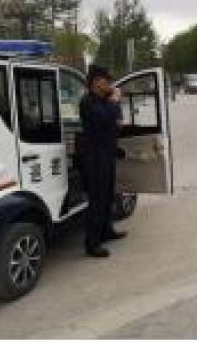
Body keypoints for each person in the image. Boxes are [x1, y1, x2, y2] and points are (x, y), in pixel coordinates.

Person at [79, 65, 127, 258]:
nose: (110, 84)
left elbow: (116, 120)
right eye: (107, 80)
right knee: (97, 200)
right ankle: (92, 243)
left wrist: (115, 108)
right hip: (94, 158)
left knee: (108, 196)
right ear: (97, 82)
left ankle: (107, 230)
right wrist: (114, 102)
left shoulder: (105, 100)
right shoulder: (88, 102)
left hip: (107, 154)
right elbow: (103, 117)